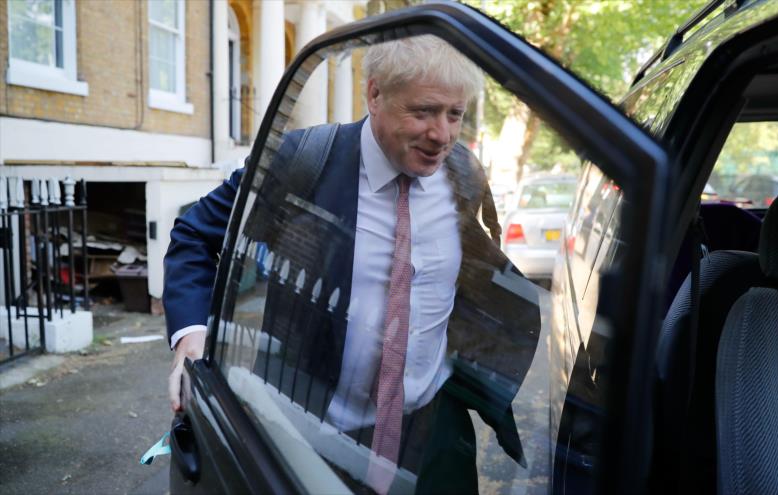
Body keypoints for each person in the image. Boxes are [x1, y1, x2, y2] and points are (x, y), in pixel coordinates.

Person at [164, 35, 539, 493]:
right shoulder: (303, 160)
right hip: (309, 432)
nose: (441, 134)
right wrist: (190, 340)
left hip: (435, 432)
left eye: (454, 114)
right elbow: (194, 236)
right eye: (422, 111)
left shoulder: (461, 171)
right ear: (375, 94)